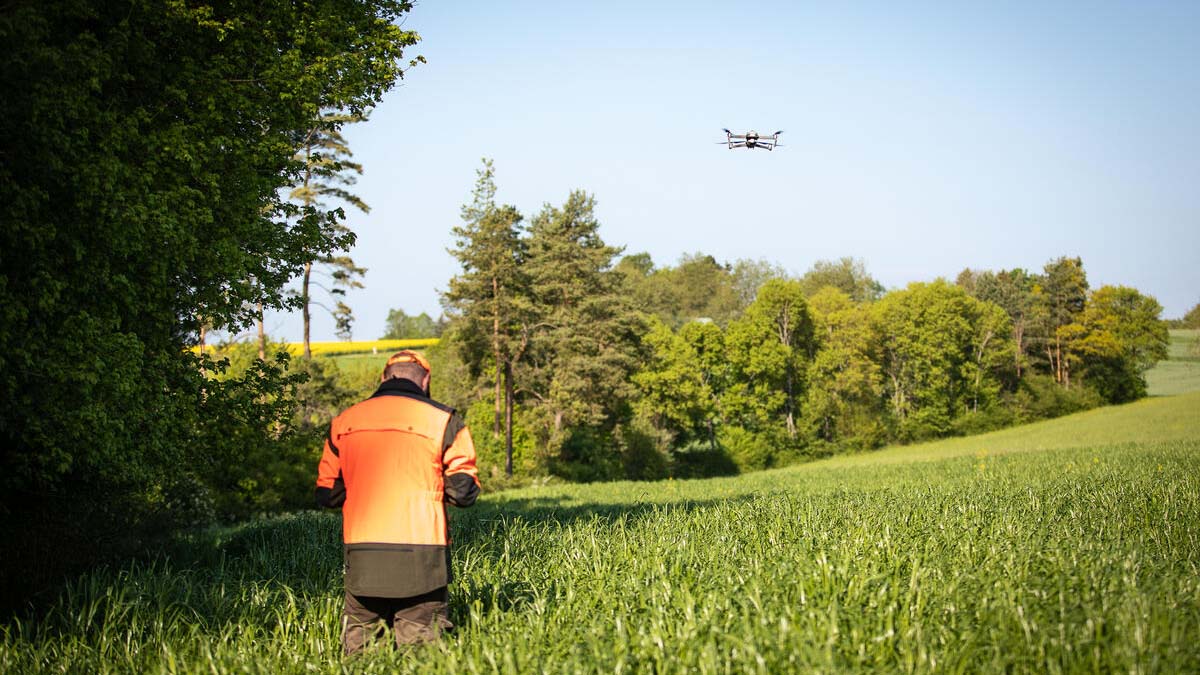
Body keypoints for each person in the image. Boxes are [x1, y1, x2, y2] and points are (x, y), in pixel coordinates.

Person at [315, 350, 480, 654]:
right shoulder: (445, 420)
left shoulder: (344, 421)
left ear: (383, 377)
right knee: (422, 651)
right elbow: (464, 492)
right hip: (423, 554)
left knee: (362, 650)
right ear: (426, 380)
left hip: (363, 554)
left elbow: (327, 493)